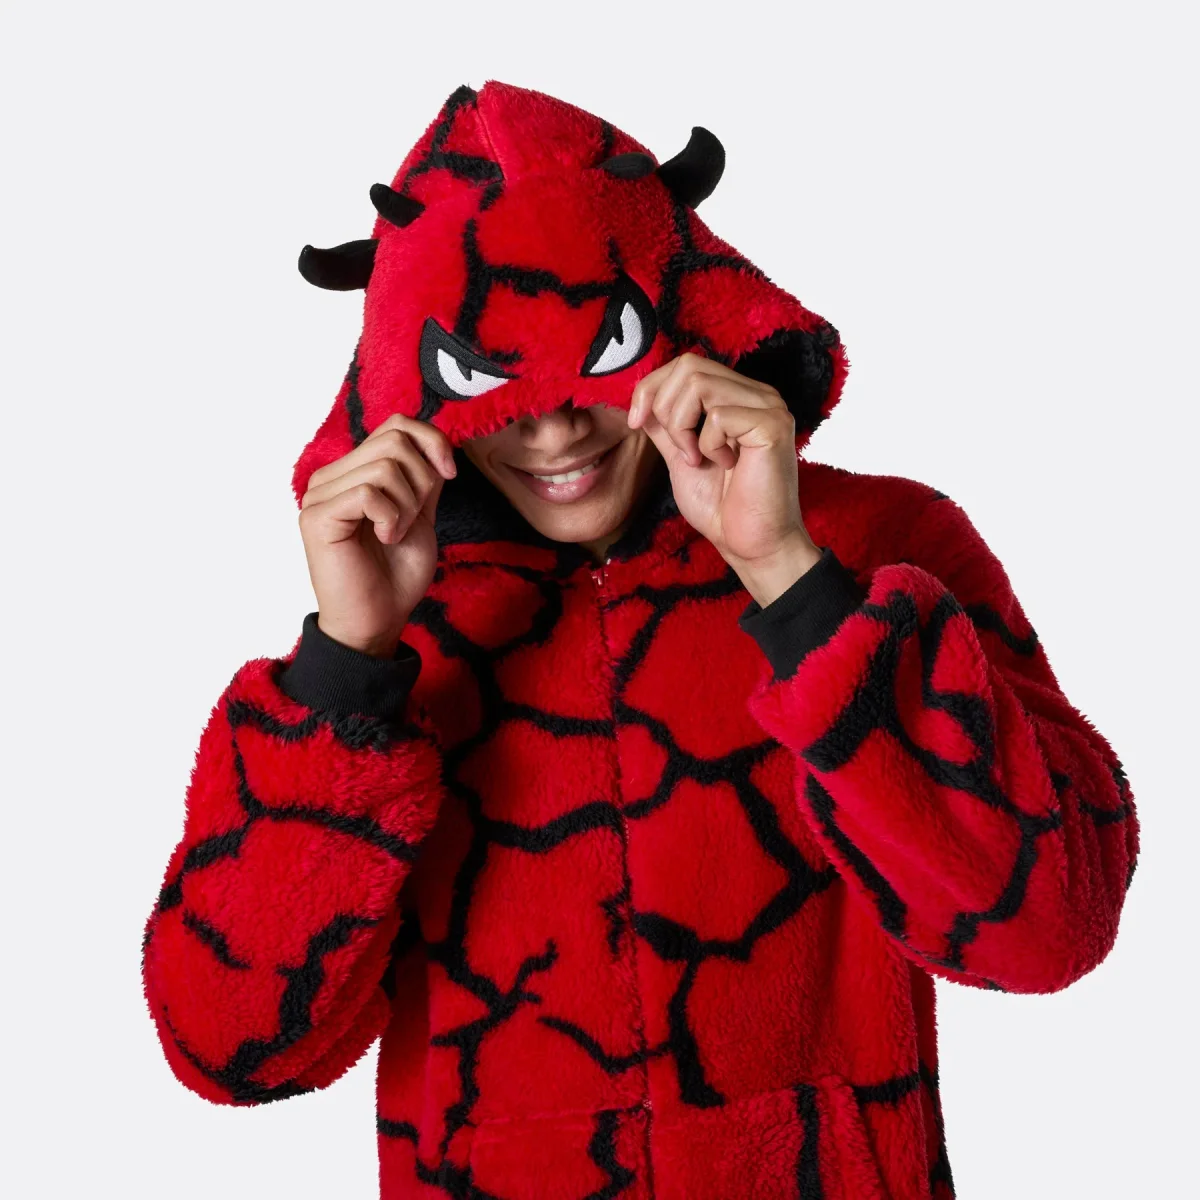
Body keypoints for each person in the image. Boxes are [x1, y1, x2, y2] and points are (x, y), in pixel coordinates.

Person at [141, 81, 1139, 1199]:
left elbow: (1050, 926)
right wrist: (347, 667)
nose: (554, 428)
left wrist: (790, 579)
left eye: (593, 359)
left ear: (675, 319)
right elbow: (230, 1048)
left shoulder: (872, 548)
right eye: (494, 378)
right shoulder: (395, 628)